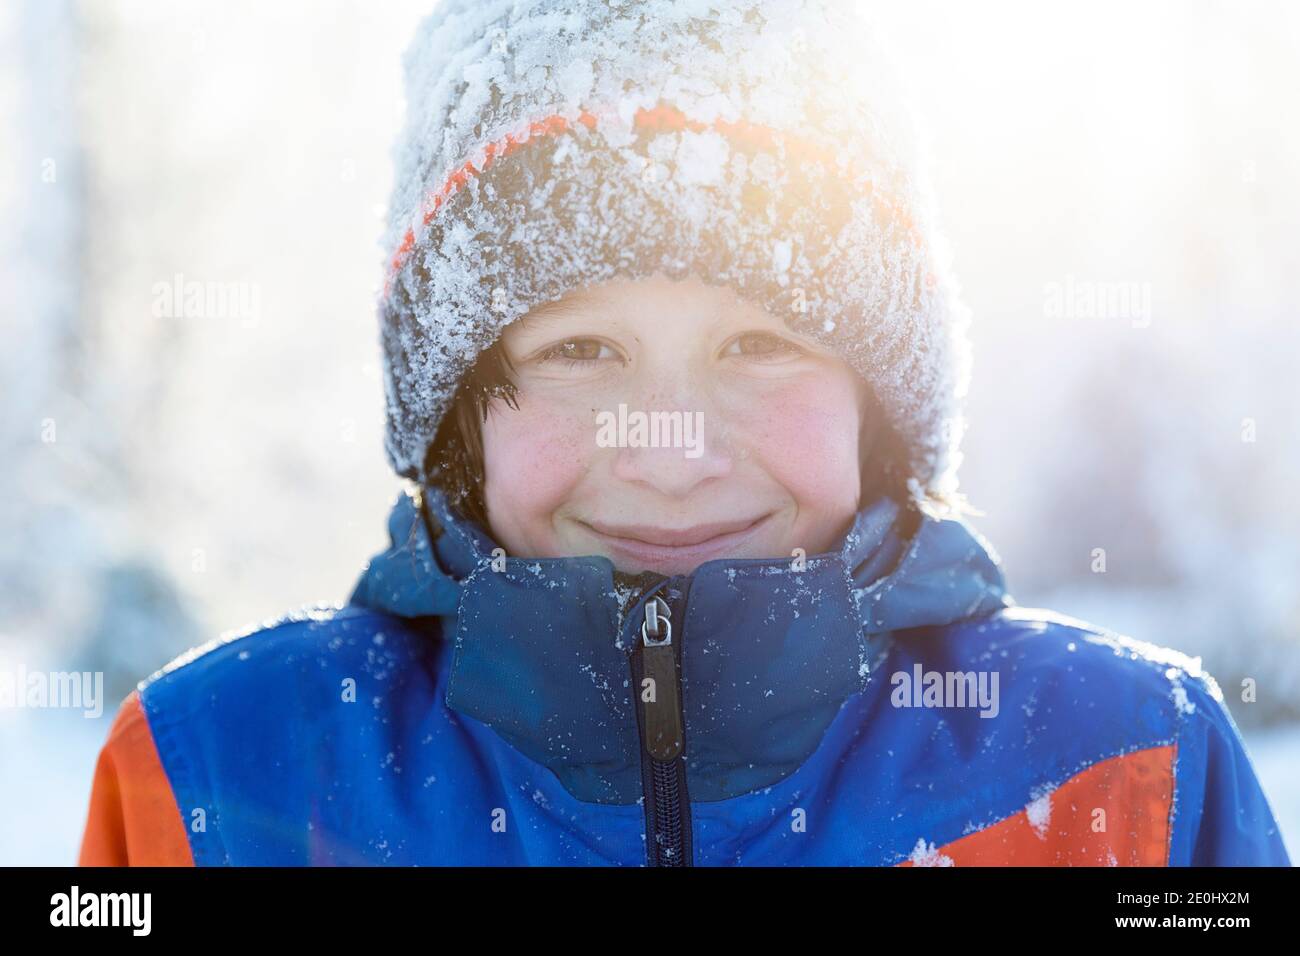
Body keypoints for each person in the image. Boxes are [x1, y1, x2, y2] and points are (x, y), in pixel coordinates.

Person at [79, 0, 1288, 867]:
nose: (670, 450)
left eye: (760, 345)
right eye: (578, 351)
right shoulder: (208, 781)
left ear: (877, 397)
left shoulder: (1129, 775)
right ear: (453, 418)